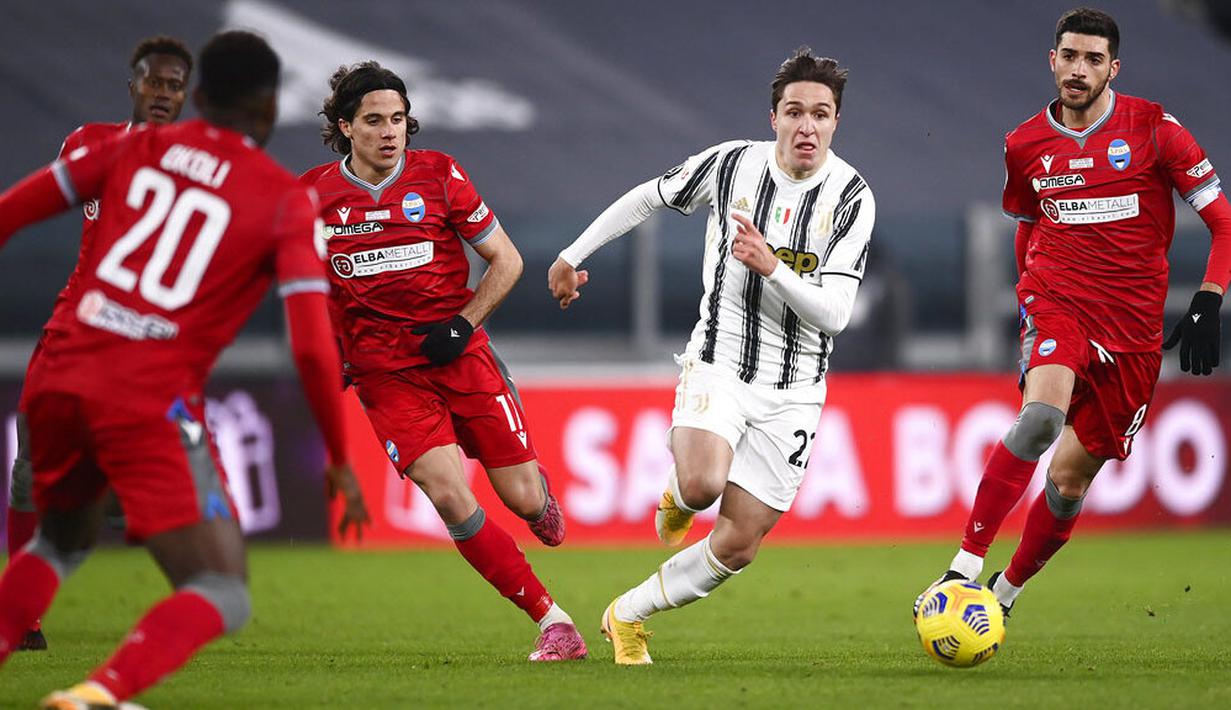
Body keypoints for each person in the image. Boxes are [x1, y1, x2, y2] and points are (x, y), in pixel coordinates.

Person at [0, 31, 369, 709]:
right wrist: (340, 456)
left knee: (56, 542)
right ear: (270, 107)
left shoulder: (126, 148)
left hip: (61, 368)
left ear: (196, 97)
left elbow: (8, 214)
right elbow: (313, 348)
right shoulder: (284, 199)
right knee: (221, 589)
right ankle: (98, 694)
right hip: (145, 397)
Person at [549, 47, 876, 664]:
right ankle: (680, 489)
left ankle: (627, 615)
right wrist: (573, 255)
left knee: (740, 543)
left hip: (797, 388)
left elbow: (836, 314)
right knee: (702, 487)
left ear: (837, 122)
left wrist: (772, 267)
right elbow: (648, 196)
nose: (807, 126)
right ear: (773, 118)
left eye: (821, 114)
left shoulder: (852, 196)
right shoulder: (731, 165)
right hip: (721, 359)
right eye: (795, 112)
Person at [914, 7, 1230, 621]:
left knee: (1068, 481)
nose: (1078, 69)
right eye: (1069, 56)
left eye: (1093, 59)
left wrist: (1209, 299)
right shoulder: (1024, 144)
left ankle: (1004, 594)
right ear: (1052, 60)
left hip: (1133, 332)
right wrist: (1029, 296)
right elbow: (1027, 225)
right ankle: (963, 565)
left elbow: (1223, 222)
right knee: (1040, 418)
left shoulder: (1155, 130)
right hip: (1058, 300)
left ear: (1114, 68)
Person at [299, 61, 586, 662]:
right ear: (345, 127)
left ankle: (537, 495)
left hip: (461, 355)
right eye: (374, 121)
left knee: (523, 500)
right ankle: (553, 622)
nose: (389, 132)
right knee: (451, 497)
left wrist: (463, 324)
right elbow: (302, 289)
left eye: (398, 119)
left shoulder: (439, 174)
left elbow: (507, 261)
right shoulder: (313, 198)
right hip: (386, 374)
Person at [4, 34, 194, 654]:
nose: (161, 92)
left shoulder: (201, 166)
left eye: (173, 85)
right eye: (153, 81)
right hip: (75, 329)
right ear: (133, 84)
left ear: (185, 95)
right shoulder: (87, 143)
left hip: (147, 344)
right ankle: (22, 617)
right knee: (31, 465)